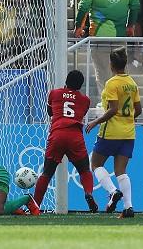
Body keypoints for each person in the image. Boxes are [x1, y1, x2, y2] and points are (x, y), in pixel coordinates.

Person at [86, 47, 142, 218]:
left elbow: (113, 109)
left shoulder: (112, 83)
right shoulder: (132, 83)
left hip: (110, 132)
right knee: (121, 171)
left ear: (111, 64)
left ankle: (112, 191)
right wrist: (128, 120)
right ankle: (128, 207)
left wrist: (95, 121)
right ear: (124, 64)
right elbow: (138, 109)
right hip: (128, 133)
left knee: (95, 164)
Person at [75, 0, 140, 96]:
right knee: (121, 72)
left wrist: (78, 27)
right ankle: (123, 100)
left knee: (102, 71)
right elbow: (135, 6)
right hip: (120, 35)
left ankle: (106, 103)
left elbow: (83, 6)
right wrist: (131, 26)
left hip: (99, 36)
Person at [33, 70, 98, 213]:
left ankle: (35, 206)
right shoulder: (85, 100)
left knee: (46, 173)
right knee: (84, 170)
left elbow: (50, 112)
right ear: (80, 85)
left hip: (57, 134)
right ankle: (88, 193)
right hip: (75, 136)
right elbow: (79, 113)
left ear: (66, 81)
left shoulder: (54, 93)